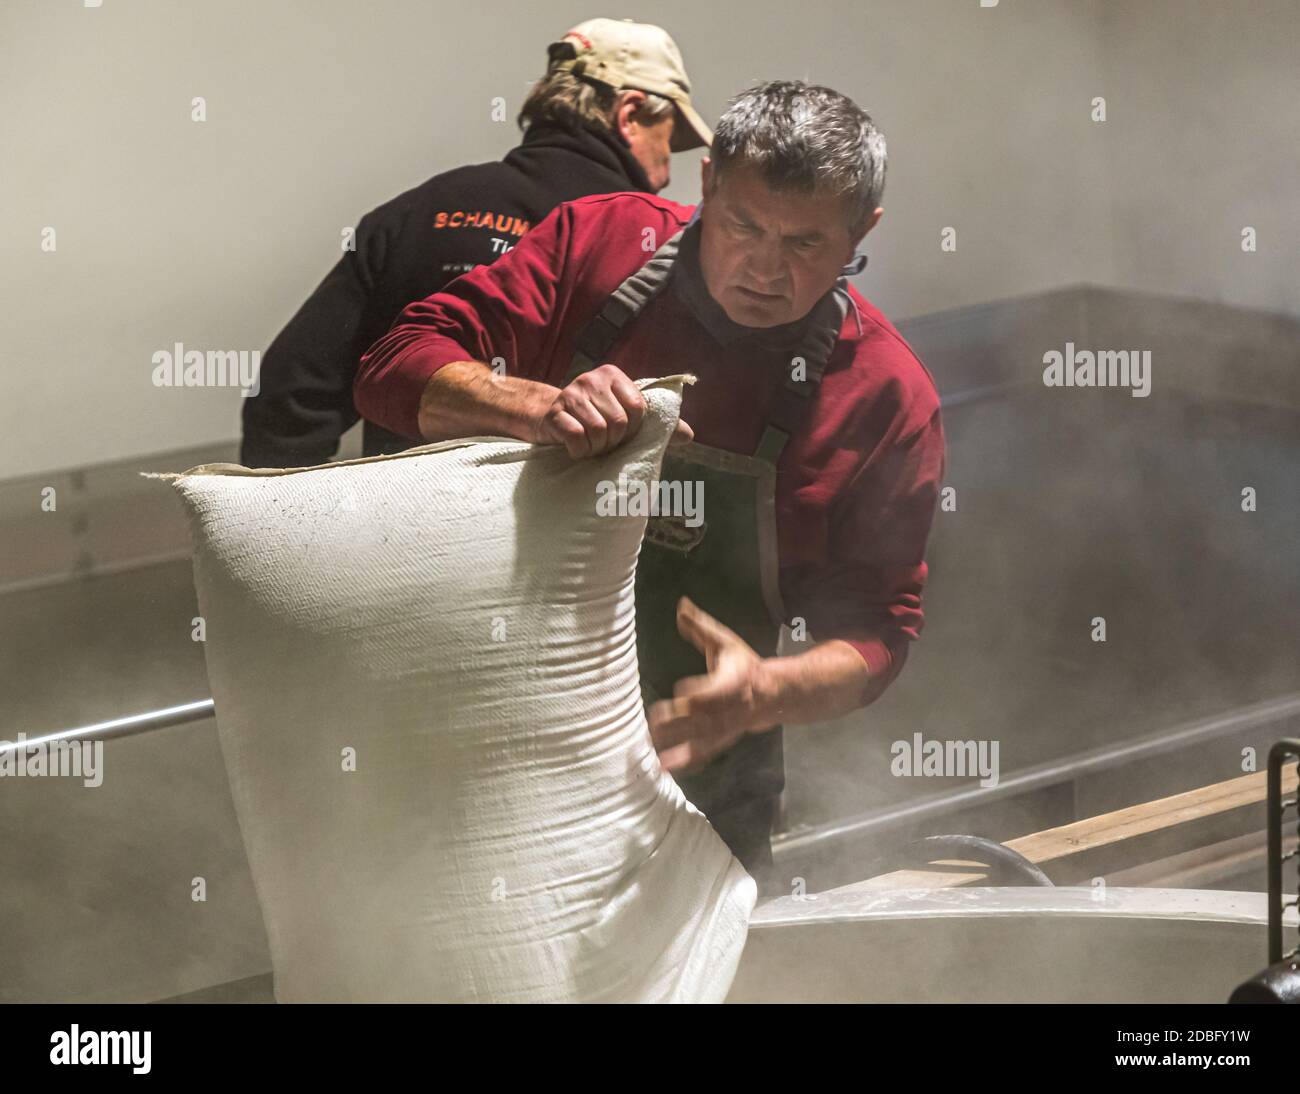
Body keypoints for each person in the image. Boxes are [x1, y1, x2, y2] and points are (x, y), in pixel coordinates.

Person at [352, 80, 947, 896]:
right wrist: (538, 404)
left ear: (860, 234)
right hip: (491, 729)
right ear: (707, 187)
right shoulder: (596, 244)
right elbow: (391, 369)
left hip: (702, 774)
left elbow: (881, 629)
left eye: (805, 244)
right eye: (743, 226)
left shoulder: (884, 396)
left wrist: (765, 691)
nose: (764, 269)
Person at [240, 17, 710, 468]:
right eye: (669, 139)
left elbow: (290, 395)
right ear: (629, 115)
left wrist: (302, 530)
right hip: (569, 543)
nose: (668, 171)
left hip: (396, 540)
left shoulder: (415, 211)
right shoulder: (638, 241)